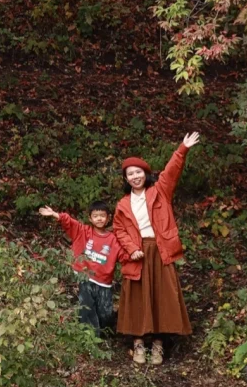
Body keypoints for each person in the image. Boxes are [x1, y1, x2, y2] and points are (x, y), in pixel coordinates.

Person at [112, 132, 200, 366]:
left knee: (162, 295)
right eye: (130, 174)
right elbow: (119, 229)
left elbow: (171, 172)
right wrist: (132, 249)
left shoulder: (160, 191)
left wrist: (182, 149)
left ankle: (159, 344)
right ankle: (139, 343)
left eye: (138, 172)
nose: (135, 177)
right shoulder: (122, 204)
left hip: (160, 249)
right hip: (137, 254)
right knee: (137, 297)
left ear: (146, 173)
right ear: (126, 178)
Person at [38, 199, 121, 334]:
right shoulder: (83, 231)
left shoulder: (113, 239)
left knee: (105, 313)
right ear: (90, 218)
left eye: (102, 216)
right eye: (95, 216)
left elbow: (123, 255)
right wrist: (55, 215)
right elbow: (70, 222)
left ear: (108, 218)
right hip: (85, 277)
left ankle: (103, 334)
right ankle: (89, 336)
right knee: (86, 307)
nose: (99, 219)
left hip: (104, 281)